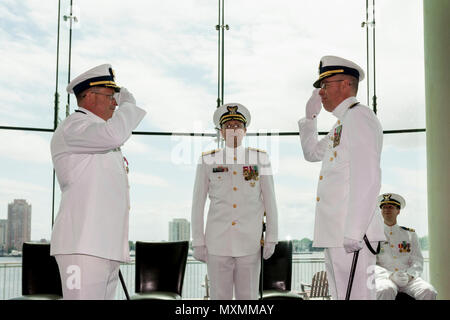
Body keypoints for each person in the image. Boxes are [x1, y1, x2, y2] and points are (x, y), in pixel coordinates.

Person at [50, 64, 147, 299]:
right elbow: (114, 134)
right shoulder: (75, 126)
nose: (114, 103)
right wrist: (128, 103)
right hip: (83, 246)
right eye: (110, 97)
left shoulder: (94, 134)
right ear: (90, 96)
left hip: (102, 246)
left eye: (116, 98)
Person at [298, 55, 385, 300]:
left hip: (352, 234)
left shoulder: (360, 117)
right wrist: (309, 119)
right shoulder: (341, 124)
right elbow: (312, 153)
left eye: (325, 85)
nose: (321, 93)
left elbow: (367, 178)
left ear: (346, 84)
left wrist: (354, 231)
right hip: (337, 232)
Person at [191, 103, 278, 300]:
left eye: (237, 126)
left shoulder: (259, 159)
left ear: (245, 131)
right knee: (219, 298)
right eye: (228, 126)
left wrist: (272, 237)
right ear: (221, 132)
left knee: (247, 298)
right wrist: (198, 241)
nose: (233, 130)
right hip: (217, 242)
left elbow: (270, 201)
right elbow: (198, 204)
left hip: (249, 242)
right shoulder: (207, 160)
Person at [375, 193, 437, 300]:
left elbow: (417, 260)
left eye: (390, 207)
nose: (386, 210)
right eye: (384, 207)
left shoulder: (409, 234)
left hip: (408, 278)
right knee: (385, 290)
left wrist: (409, 275)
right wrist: (390, 275)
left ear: (398, 211)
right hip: (385, 278)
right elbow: (370, 263)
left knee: (429, 291)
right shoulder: (374, 235)